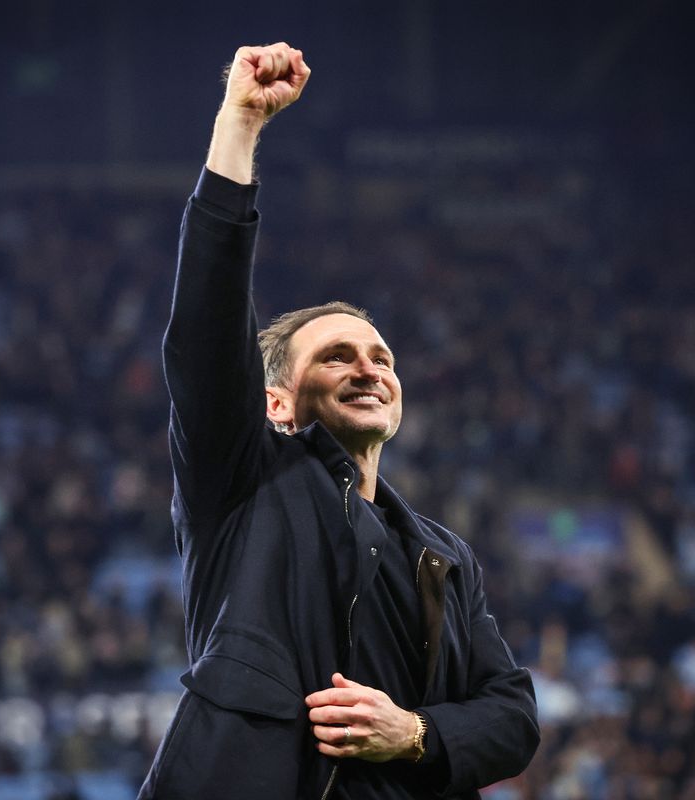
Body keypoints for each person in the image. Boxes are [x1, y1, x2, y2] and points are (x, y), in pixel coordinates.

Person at [138, 43, 539, 799]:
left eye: (382, 357)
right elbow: (203, 336)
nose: (369, 368)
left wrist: (413, 733)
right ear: (277, 402)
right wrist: (240, 126)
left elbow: (513, 716)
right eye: (337, 356)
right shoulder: (243, 484)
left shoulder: (445, 556)